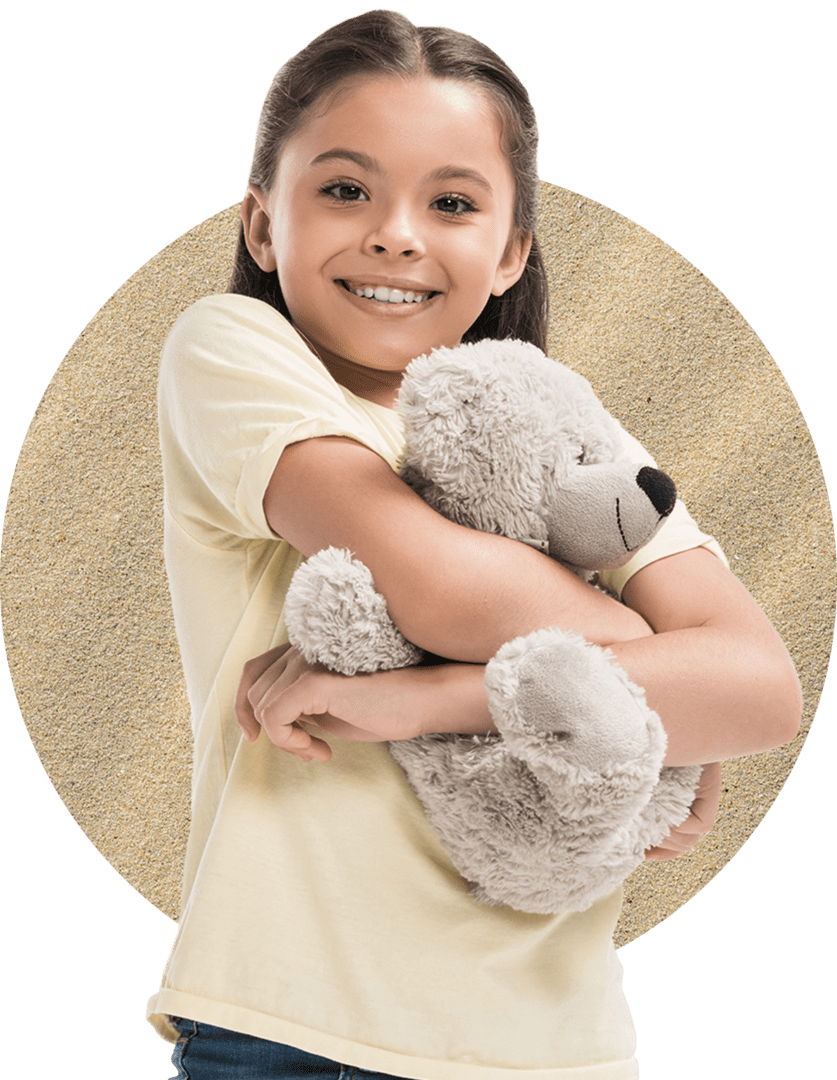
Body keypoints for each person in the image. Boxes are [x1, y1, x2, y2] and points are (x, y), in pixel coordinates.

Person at [147, 10, 801, 1079]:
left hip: (556, 1046)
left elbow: (761, 687)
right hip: (294, 1025)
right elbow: (435, 585)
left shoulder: (566, 420)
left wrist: (434, 699)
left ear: (510, 252)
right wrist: (649, 672)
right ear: (264, 227)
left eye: (451, 202)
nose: (397, 233)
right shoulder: (236, 352)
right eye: (346, 190)